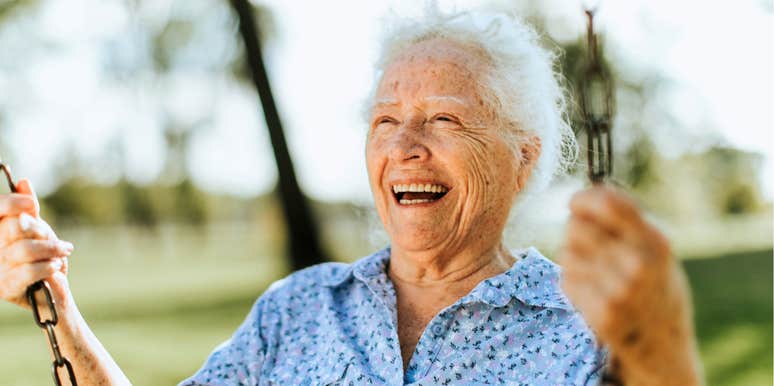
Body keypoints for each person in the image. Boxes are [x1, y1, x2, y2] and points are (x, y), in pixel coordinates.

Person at [0, 7, 702, 386]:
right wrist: (62, 314)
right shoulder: (297, 311)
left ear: (524, 159)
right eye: (385, 122)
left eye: (444, 119)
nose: (405, 147)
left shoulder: (588, 328)